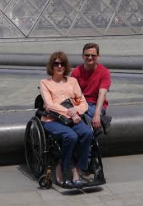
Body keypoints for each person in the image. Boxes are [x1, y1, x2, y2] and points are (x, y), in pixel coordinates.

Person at [40, 51, 92, 189]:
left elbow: (83, 102)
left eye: (62, 64)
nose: (59, 66)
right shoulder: (45, 83)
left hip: (73, 118)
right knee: (71, 136)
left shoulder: (72, 81)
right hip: (52, 120)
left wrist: (76, 110)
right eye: (56, 63)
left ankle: (77, 170)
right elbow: (50, 105)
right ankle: (62, 167)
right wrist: (70, 113)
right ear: (51, 66)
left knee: (87, 133)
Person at [71, 43, 111, 131]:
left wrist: (97, 114)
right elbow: (72, 93)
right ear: (82, 56)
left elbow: (102, 94)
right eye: (87, 55)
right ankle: (103, 120)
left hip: (95, 104)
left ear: (98, 56)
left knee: (82, 121)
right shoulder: (76, 72)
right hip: (81, 103)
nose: (89, 57)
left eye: (93, 55)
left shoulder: (104, 72)